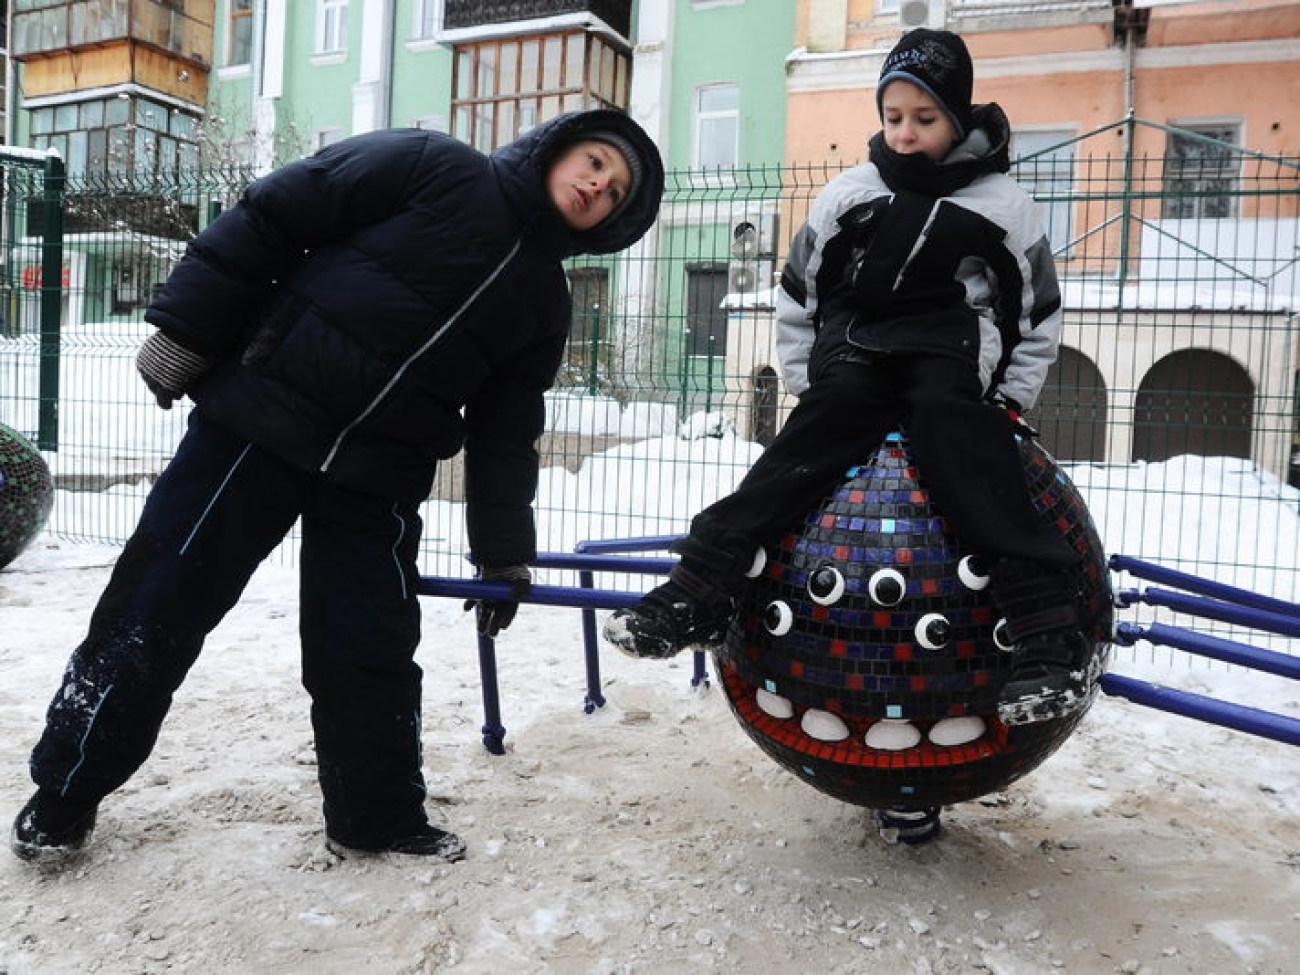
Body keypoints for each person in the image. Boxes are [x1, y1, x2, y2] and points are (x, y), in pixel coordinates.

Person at [11, 108, 663, 864]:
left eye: (614, 192)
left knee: (370, 646)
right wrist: (187, 328)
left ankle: (376, 817)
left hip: (379, 478)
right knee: (157, 603)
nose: (596, 186)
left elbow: (504, 433)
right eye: (594, 162)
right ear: (556, 148)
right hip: (258, 421)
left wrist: (503, 551)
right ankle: (64, 793)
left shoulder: (546, 301)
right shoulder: (432, 163)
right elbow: (277, 210)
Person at [605, 29, 1088, 727]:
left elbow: (1034, 308)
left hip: (948, 356)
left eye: (924, 120)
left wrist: (1008, 399)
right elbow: (802, 289)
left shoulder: (1000, 204)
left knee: (965, 450)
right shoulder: (852, 192)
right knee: (796, 456)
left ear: (957, 117)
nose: (906, 134)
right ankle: (699, 585)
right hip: (858, 353)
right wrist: (808, 378)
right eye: (893, 118)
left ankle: (1047, 632)